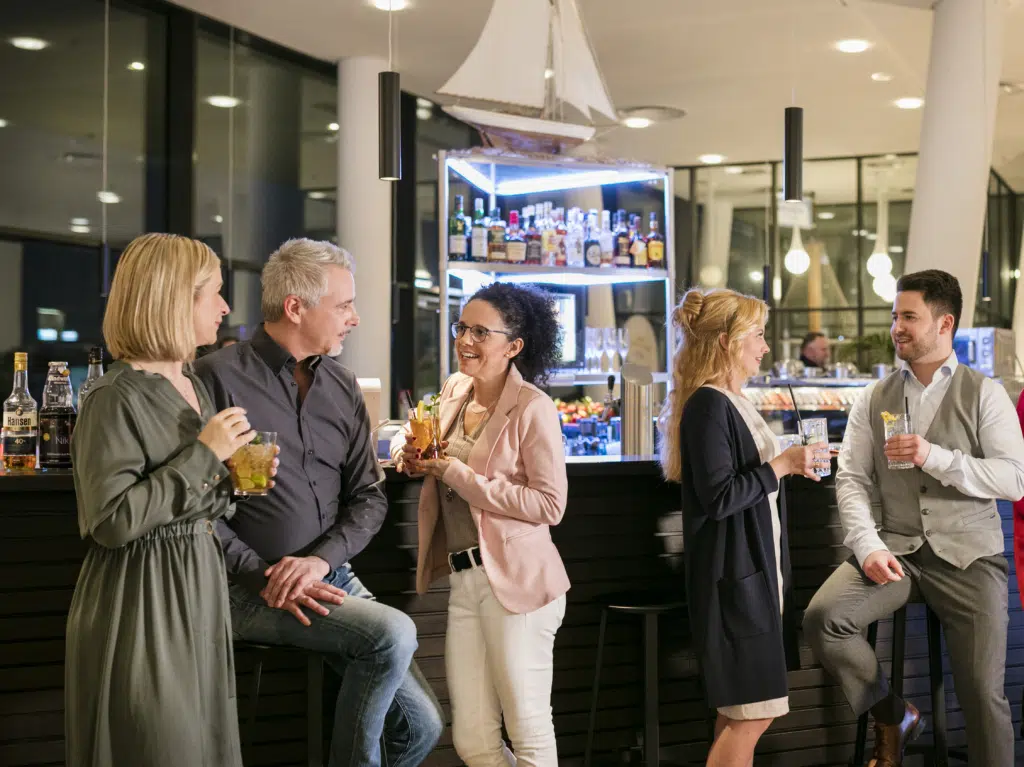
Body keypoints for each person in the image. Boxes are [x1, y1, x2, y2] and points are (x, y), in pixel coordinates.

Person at [194, 238, 443, 767]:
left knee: (423, 728)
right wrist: (262, 575)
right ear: (295, 308)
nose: (354, 318)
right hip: (248, 589)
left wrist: (319, 561)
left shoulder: (344, 387)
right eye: (344, 305)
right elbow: (196, 506)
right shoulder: (215, 376)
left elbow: (369, 499)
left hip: (332, 575)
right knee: (392, 635)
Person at [65, 233, 281, 766]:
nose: (227, 308)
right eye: (215, 293)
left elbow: (199, 499)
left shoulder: (192, 385)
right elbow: (111, 521)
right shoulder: (111, 398)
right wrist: (207, 457)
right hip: (141, 597)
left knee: (203, 743)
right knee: (161, 744)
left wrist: (232, 478)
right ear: (173, 298)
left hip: (197, 584)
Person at [803, 269, 1024, 766]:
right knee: (824, 619)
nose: (896, 327)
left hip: (970, 558)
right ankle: (893, 713)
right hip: (897, 551)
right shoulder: (872, 397)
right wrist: (868, 546)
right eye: (895, 316)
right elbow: (853, 479)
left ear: (944, 324)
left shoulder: (985, 393)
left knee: (983, 696)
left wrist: (935, 457)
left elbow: (1014, 479)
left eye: (909, 316)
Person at [393, 283, 570, 767]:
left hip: (520, 585)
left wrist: (457, 474)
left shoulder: (533, 407)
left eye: (479, 332)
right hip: (464, 578)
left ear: (513, 346)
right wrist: (405, 455)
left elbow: (550, 504)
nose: (465, 340)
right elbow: (409, 433)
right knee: (472, 739)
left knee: (529, 731)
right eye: (461, 328)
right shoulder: (454, 390)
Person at [657, 287, 820, 767]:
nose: (765, 346)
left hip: (750, 578)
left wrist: (788, 458)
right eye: (759, 335)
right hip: (735, 586)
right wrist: (783, 465)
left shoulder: (730, 399)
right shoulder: (709, 405)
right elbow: (720, 496)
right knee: (751, 716)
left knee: (739, 716)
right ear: (727, 341)